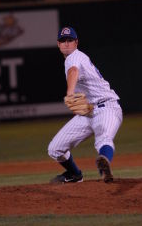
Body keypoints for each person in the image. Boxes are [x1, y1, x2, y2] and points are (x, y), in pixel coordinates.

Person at [48, 26, 123, 183]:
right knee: (55, 148)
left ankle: (104, 162)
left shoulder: (74, 57)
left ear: (76, 42)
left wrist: (70, 93)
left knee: (103, 138)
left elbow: (73, 72)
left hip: (107, 107)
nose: (66, 44)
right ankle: (75, 175)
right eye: (63, 41)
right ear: (58, 44)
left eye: (70, 40)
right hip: (87, 112)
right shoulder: (73, 58)